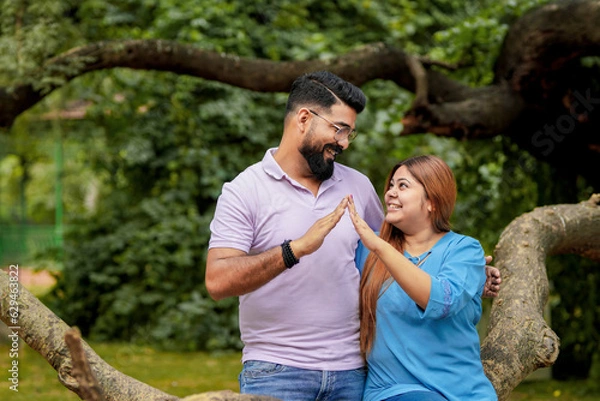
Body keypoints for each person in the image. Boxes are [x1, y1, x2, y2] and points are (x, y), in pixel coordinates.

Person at [206, 71, 500, 401]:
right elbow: (218, 282)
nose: (344, 142)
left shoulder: (356, 186)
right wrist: (295, 249)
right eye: (340, 129)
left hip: (353, 374)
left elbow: (395, 249)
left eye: (350, 133)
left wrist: (471, 276)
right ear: (305, 118)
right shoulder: (244, 191)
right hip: (277, 371)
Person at [347, 155, 498, 401]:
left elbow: (442, 301)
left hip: (464, 393)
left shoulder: (464, 250)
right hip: (394, 391)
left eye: (403, 186)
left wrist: (477, 279)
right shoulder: (367, 248)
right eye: (391, 185)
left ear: (432, 202)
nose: (390, 193)